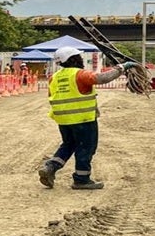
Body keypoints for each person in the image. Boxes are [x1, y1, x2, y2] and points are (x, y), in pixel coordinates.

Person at [37, 46, 138, 190]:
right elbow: (101, 78)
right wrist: (121, 68)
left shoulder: (54, 77)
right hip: (83, 119)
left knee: (68, 144)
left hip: (63, 120)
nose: (81, 59)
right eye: (78, 57)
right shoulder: (79, 74)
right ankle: (82, 179)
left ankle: (50, 167)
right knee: (86, 148)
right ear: (73, 59)